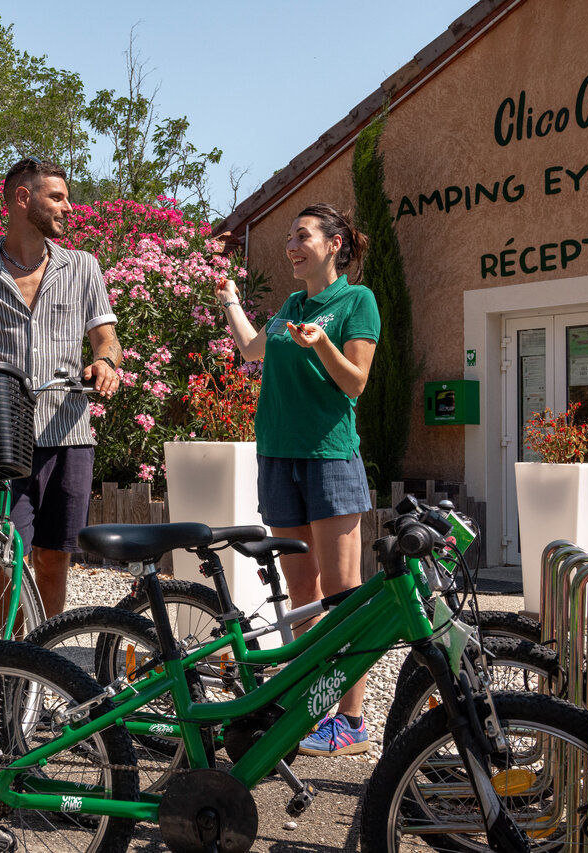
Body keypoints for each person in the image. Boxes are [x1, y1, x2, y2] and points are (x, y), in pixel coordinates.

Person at [215, 203, 378, 756]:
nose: (291, 244)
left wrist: (322, 343)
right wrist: (232, 302)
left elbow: (355, 383)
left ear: (334, 245)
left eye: (302, 235)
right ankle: (310, 708)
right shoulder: (290, 304)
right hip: (279, 457)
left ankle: (352, 721)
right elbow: (251, 350)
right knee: (302, 596)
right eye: (288, 235)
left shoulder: (356, 301)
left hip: (329, 458)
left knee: (342, 595)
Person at [0, 157, 121, 619]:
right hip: (0, 439)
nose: (69, 207)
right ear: (22, 198)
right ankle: (8, 671)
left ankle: (43, 664)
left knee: (55, 556)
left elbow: (106, 339)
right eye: (57, 197)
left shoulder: (83, 267)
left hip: (68, 434)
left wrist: (106, 363)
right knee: (6, 557)